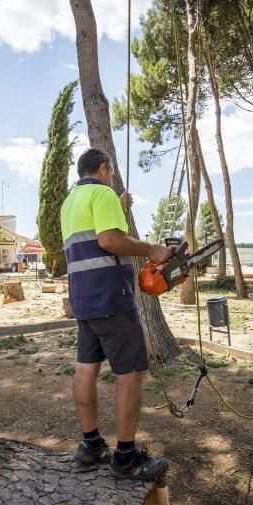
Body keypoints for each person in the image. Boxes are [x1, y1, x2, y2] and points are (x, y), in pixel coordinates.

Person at [60, 148, 173, 481]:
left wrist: (117, 208)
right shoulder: (103, 193)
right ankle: (125, 457)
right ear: (103, 168)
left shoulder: (71, 202)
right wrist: (152, 249)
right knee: (131, 373)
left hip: (84, 298)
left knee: (86, 368)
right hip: (111, 296)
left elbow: (93, 237)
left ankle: (91, 444)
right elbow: (109, 240)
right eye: (109, 172)